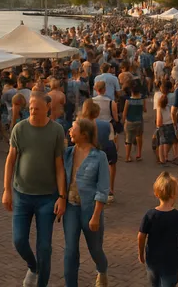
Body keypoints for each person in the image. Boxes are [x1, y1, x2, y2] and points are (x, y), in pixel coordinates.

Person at [2, 92, 66, 287]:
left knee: (44, 247)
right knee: (19, 240)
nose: (32, 111)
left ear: (48, 107)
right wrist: (6, 189)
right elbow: (10, 160)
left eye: (36, 108)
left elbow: (59, 166)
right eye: (30, 108)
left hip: (47, 197)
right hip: (22, 195)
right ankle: (33, 266)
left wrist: (62, 196)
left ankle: (42, 283)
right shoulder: (20, 129)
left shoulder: (56, 130)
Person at [63, 118, 110, 287]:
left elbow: (103, 189)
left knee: (95, 249)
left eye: (73, 128)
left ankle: (102, 269)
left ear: (84, 134)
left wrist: (96, 215)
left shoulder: (99, 157)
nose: (69, 130)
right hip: (70, 208)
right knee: (70, 251)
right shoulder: (67, 153)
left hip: (90, 210)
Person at [138, 172, 178, 287]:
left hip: (153, 260)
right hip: (171, 261)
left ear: (156, 194)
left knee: (154, 283)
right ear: (173, 195)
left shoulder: (150, 215)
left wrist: (141, 253)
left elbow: (141, 236)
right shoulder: (176, 215)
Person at [81, 100, 118, 203]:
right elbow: (112, 139)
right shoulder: (106, 124)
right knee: (112, 165)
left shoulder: (79, 125)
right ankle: (110, 189)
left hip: (88, 151)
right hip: (106, 147)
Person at [123, 79, 146, 162]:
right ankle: (139, 154)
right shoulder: (142, 100)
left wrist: (123, 121)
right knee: (139, 136)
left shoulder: (128, 101)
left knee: (128, 139)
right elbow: (145, 109)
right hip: (139, 121)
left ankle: (127, 156)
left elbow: (124, 113)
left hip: (129, 121)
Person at [155, 81, 176, 165]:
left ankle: (162, 158)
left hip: (163, 123)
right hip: (169, 122)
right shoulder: (172, 97)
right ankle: (164, 156)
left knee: (162, 141)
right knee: (170, 141)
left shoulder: (159, 99)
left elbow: (158, 113)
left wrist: (158, 123)